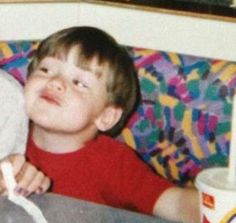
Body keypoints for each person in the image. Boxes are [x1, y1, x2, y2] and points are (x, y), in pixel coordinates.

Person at [0, 26, 199, 223]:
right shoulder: (6, 131)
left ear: (106, 116)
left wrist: (214, 202)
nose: (55, 82)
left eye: (79, 83)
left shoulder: (114, 162)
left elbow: (177, 204)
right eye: (45, 69)